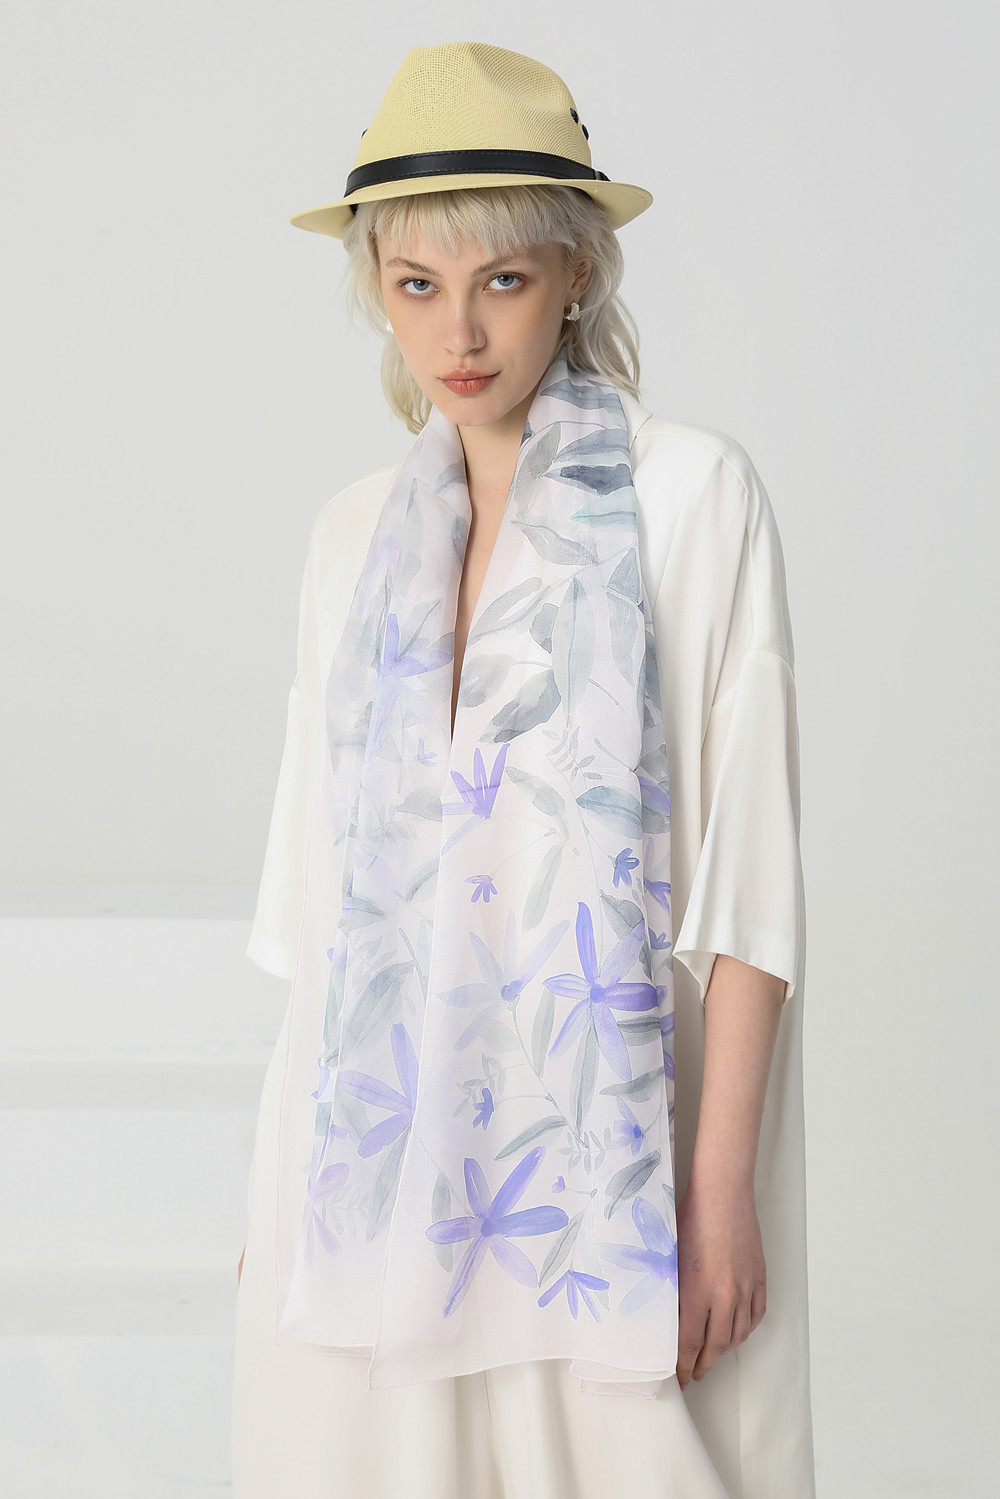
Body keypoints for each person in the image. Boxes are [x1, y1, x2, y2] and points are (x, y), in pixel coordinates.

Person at [232, 41, 813, 1499]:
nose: (460, 330)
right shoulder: (350, 539)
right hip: (379, 1155)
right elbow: (322, 912)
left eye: (502, 277)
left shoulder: (691, 497)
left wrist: (720, 1193)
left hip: (609, 1148)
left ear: (576, 274)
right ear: (375, 291)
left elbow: (750, 888)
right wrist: (286, 1202)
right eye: (416, 283)